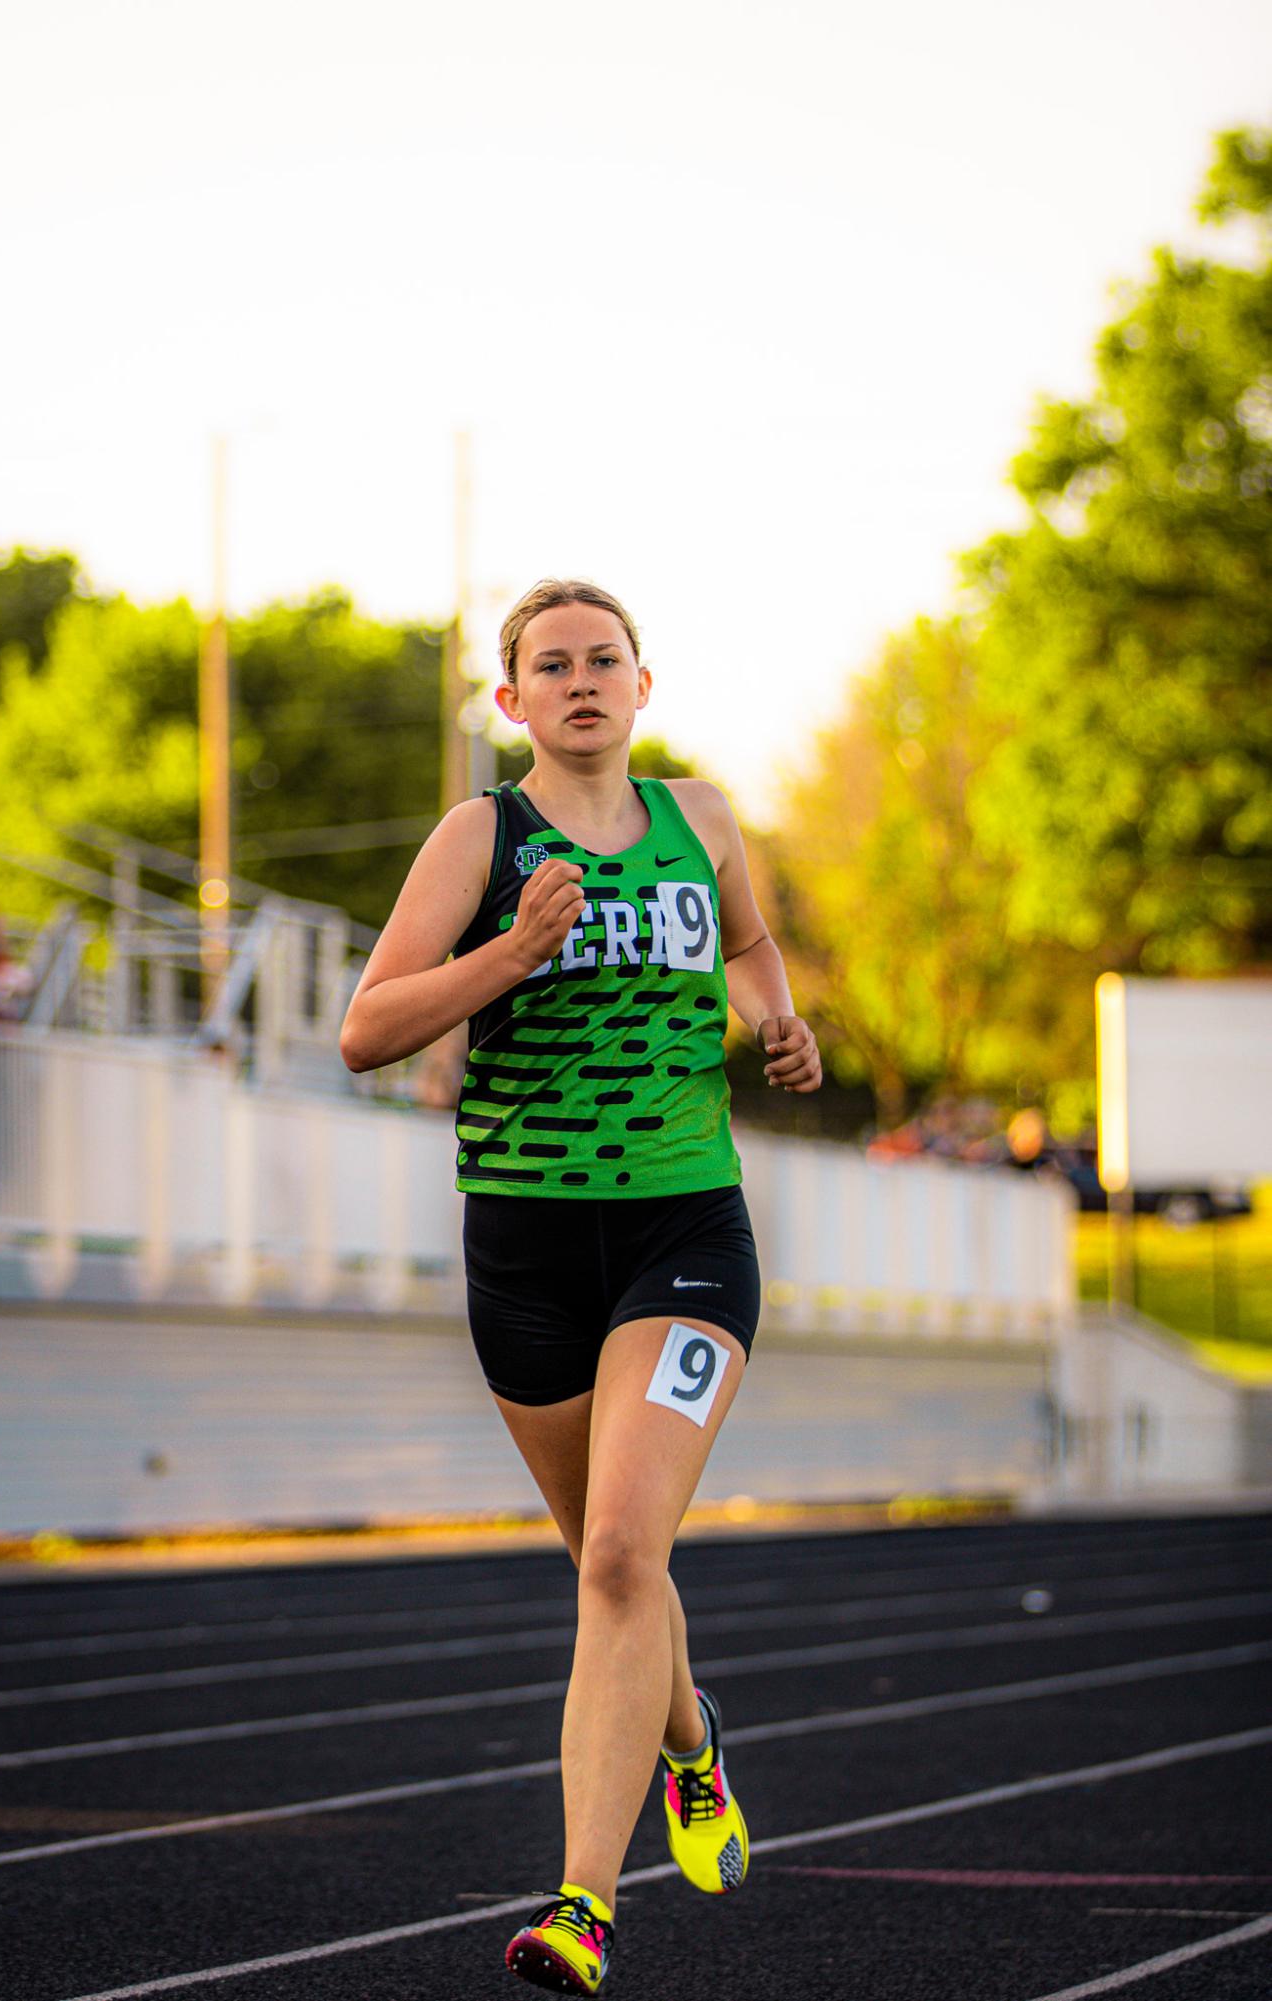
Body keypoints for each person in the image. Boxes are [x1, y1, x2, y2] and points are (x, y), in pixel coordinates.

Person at [340, 578, 821, 1994]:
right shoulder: (479, 835)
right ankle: (689, 1741)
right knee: (610, 1561)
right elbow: (366, 1025)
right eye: (549, 665)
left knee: (620, 1552)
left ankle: (583, 1907)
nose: (580, 680)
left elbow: (746, 945)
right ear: (512, 702)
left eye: (602, 657)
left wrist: (776, 1021)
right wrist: (507, 952)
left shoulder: (704, 819)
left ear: (642, 682)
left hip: (683, 1230)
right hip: (528, 1246)